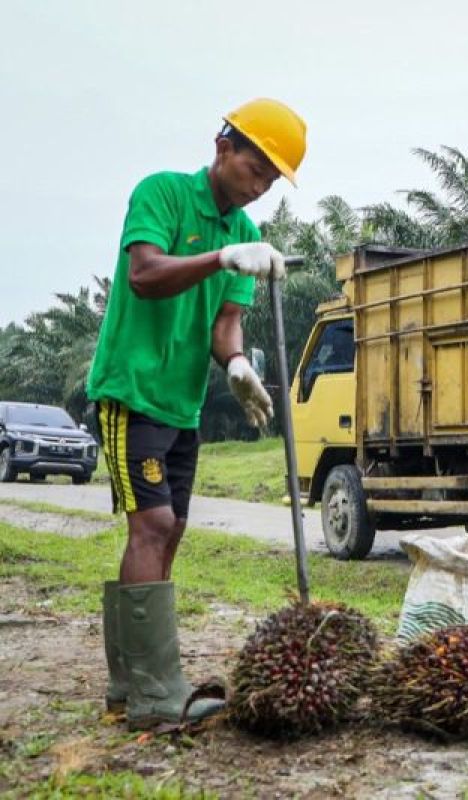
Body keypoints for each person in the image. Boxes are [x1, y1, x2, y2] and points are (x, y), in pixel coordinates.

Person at [86, 98, 307, 728]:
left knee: (172, 528)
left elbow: (225, 325)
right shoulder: (161, 194)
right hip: (131, 391)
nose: (260, 187)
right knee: (151, 525)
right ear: (223, 148)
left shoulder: (248, 236)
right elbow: (144, 275)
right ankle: (157, 690)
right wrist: (216, 259)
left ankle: (131, 681)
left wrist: (238, 367)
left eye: (271, 179)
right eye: (255, 169)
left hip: (183, 406)